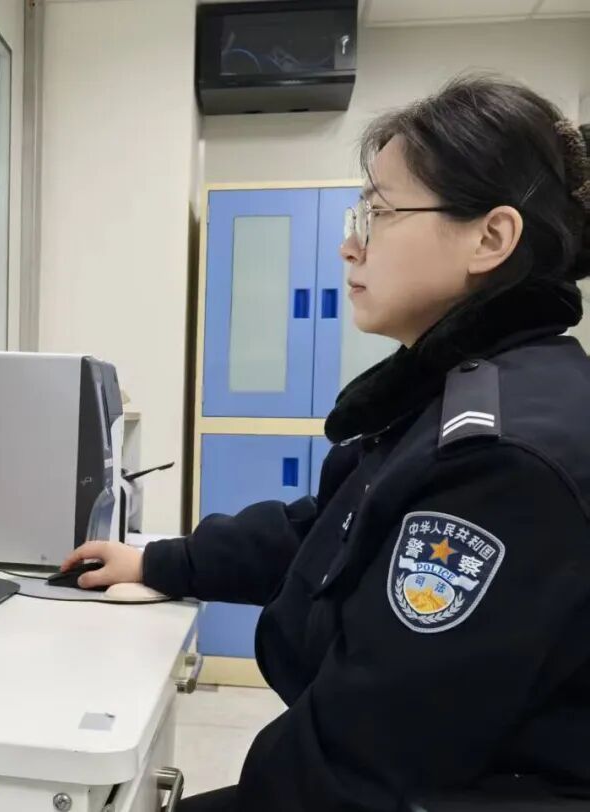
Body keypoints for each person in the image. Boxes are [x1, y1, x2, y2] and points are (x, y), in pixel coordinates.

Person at [62, 76, 590, 812]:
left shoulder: (501, 461)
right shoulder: (460, 391)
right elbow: (324, 535)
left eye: (377, 214)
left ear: (491, 237)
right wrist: (161, 560)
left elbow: (360, 764)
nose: (349, 245)